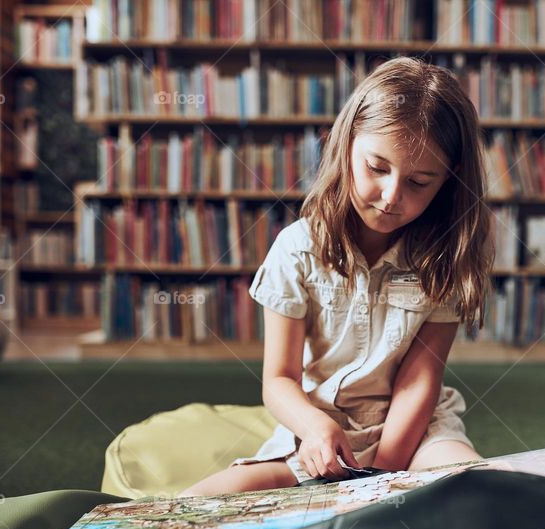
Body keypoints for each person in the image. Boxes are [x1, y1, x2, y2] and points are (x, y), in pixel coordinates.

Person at [179, 57, 493, 497]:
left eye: (420, 182)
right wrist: (314, 427)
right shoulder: (297, 248)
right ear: (346, 145)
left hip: (415, 432)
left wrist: (378, 480)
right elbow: (279, 381)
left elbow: (419, 382)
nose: (391, 197)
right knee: (196, 503)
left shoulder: (443, 255)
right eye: (377, 168)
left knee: (480, 490)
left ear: (448, 182)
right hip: (319, 429)